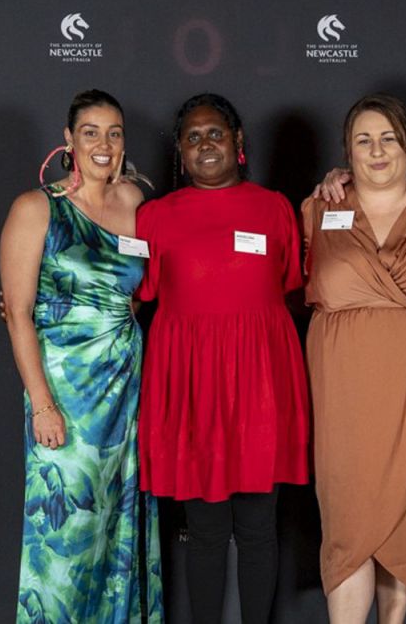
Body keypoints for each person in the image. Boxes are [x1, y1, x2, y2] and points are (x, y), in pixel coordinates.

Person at [135, 93, 310, 624]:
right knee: (207, 531)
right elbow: (133, 292)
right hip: (191, 387)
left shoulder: (274, 206)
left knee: (258, 527)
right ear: (180, 153)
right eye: (192, 136)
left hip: (260, 383)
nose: (204, 143)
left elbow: (287, 285)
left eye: (215, 133)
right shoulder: (154, 217)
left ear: (238, 144)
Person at [302, 93, 406, 624]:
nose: (377, 151)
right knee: (351, 531)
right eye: (363, 141)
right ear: (346, 153)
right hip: (345, 397)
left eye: (388, 138)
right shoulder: (318, 207)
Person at [0, 89, 163, 623]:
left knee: (116, 534)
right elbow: (18, 313)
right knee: (65, 533)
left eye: (114, 133)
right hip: (65, 393)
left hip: (129, 391)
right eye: (91, 132)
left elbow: (152, 287)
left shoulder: (138, 202)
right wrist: (42, 404)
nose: (104, 143)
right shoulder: (36, 207)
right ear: (69, 140)